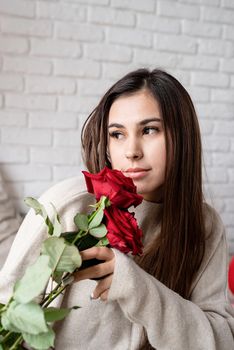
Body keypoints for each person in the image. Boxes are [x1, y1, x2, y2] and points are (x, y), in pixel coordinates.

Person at [0, 69, 234, 350]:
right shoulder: (67, 205)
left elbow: (220, 341)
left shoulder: (204, 225)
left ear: (181, 138)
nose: (131, 151)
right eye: (117, 134)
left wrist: (138, 289)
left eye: (149, 130)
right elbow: (7, 318)